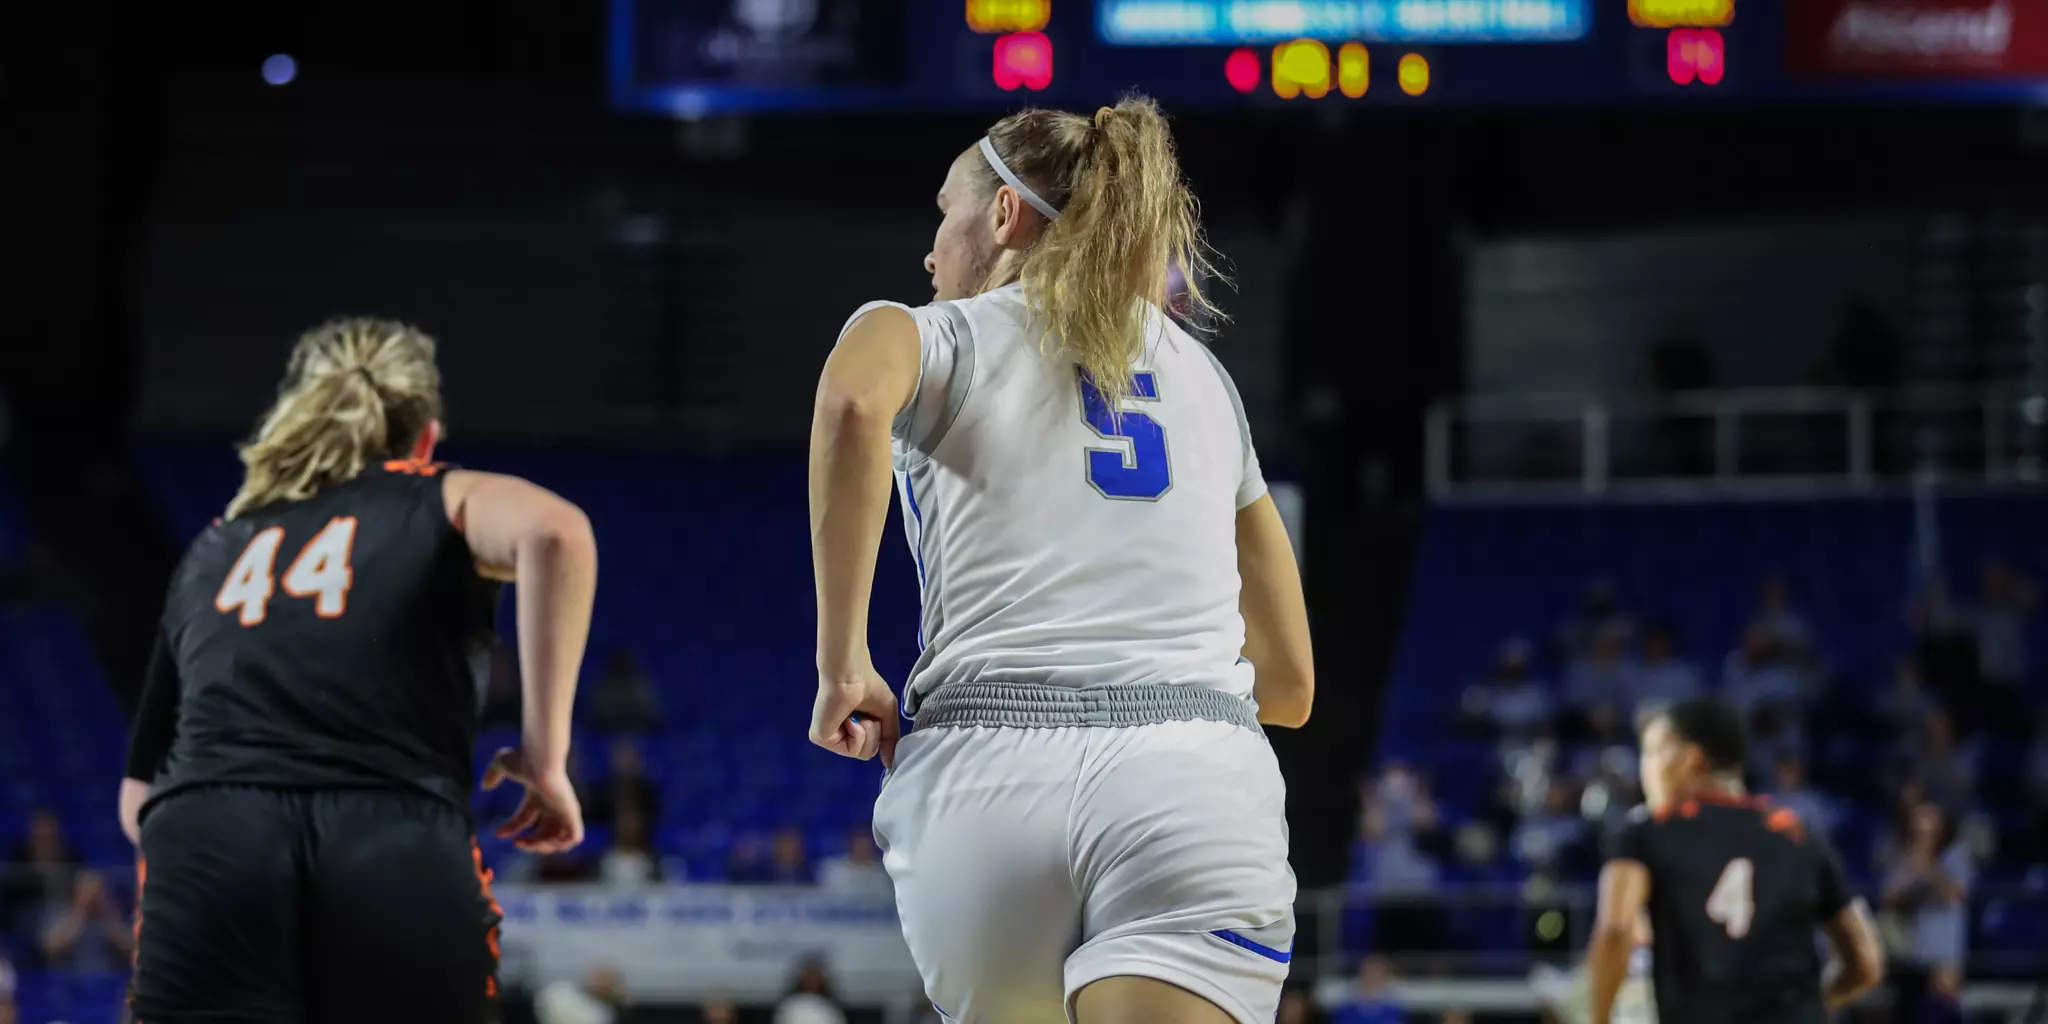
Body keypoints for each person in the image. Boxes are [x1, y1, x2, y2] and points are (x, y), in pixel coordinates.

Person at [806, 97, 1314, 1023]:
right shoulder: (1207, 379)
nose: (931, 252)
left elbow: (848, 404)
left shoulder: (932, 331)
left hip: (986, 772)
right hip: (1189, 774)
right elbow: (1290, 685)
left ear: (1002, 215)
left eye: (943, 214)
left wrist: (844, 663)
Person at [118, 319, 598, 1024]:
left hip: (209, 833)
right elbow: (556, 532)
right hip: (387, 831)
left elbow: (138, 794)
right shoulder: (438, 494)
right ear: (426, 438)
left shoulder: (216, 546)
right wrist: (546, 758)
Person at [1587, 699, 1883, 1024]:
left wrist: (1598, 1018)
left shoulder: (1647, 829)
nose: (1645, 768)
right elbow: (1866, 962)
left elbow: (1615, 930)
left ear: (1691, 759)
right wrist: (1812, 1005)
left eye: (1653, 751)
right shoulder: (1800, 835)